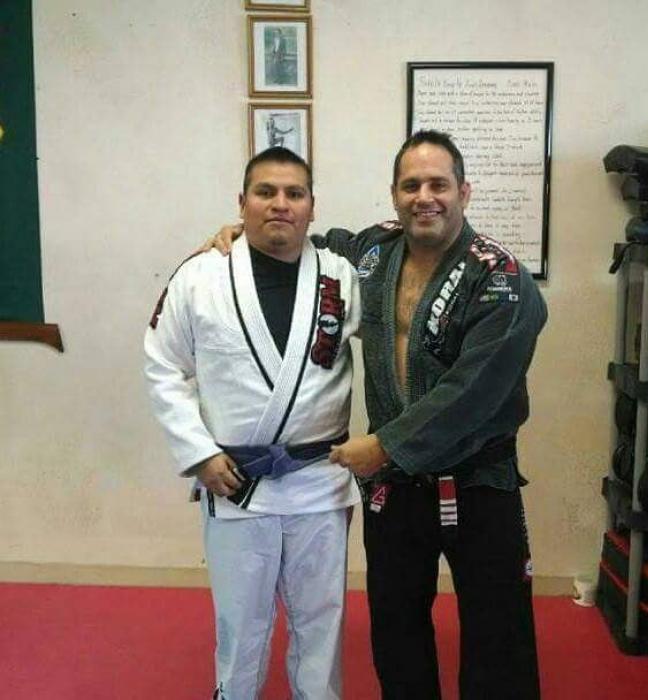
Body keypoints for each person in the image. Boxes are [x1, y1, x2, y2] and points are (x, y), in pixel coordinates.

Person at [207, 130, 547, 699]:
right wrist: (247, 231)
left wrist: (384, 444)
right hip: (396, 486)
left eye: (438, 184)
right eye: (411, 185)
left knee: (498, 631)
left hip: (478, 479)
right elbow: (309, 243)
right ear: (394, 195)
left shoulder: (501, 278)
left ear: (464, 192)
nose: (424, 197)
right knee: (396, 627)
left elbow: (474, 389)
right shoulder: (371, 254)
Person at [145, 147, 361, 700]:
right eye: (266, 192)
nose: (280, 204)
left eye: (294, 194)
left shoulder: (342, 274)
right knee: (241, 625)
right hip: (236, 482)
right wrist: (197, 452)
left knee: (322, 622)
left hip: (319, 481)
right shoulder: (199, 276)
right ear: (242, 203)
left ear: (312, 207)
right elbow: (164, 364)